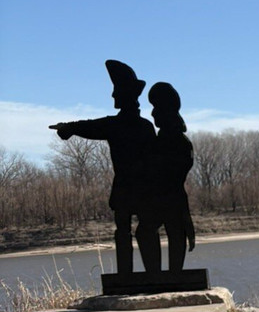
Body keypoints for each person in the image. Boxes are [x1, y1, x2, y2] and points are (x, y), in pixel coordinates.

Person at [50, 60, 156, 276]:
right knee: (139, 230)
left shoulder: (122, 125)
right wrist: (69, 127)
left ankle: (134, 275)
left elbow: (91, 126)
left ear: (125, 95)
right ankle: (150, 274)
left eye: (116, 92)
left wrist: (68, 128)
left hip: (131, 188)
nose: (112, 96)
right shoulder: (142, 126)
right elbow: (90, 126)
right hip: (140, 189)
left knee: (132, 231)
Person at [136, 81, 195, 272]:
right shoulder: (158, 142)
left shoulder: (179, 143)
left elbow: (172, 175)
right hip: (161, 199)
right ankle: (155, 275)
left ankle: (173, 274)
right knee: (146, 231)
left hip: (169, 199)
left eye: (156, 108)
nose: (152, 114)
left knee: (174, 233)